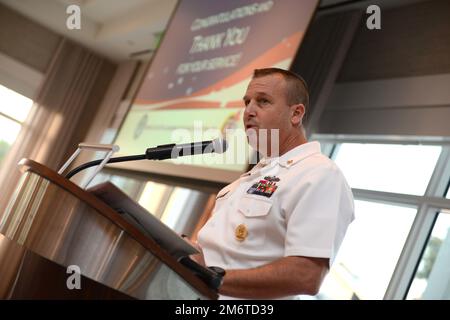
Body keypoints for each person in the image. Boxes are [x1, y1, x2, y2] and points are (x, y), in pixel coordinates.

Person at [194, 68, 354, 299]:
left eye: (263, 101)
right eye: (247, 102)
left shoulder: (319, 174)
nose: (248, 111)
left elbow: (306, 275)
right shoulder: (253, 176)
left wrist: (209, 277)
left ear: (296, 114)